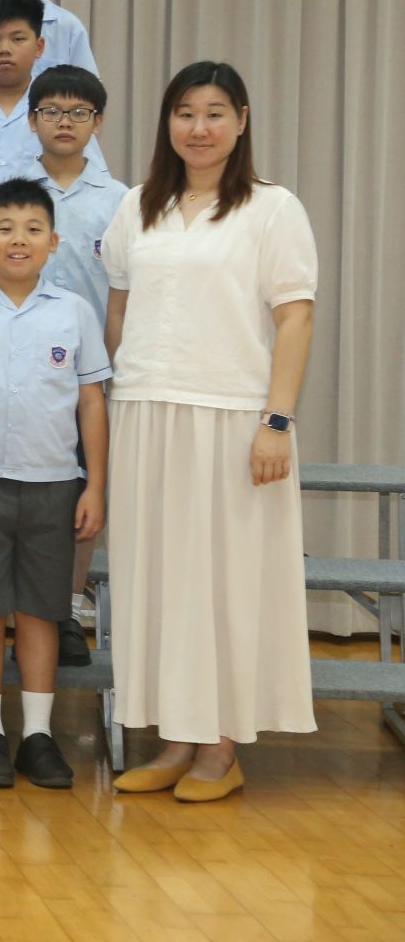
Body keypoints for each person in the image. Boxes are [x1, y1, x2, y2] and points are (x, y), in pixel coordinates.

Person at [102, 62, 317, 803]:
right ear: (167, 121)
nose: (199, 128)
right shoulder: (138, 206)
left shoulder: (272, 208)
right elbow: (120, 311)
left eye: (216, 112)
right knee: (160, 582)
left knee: (224, 583)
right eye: (185, 112)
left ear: (242, 121)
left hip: (231, 416)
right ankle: (176, 737)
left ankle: (221, 748)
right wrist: (128, 386)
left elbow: (295, 317)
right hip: (145, 412)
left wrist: (276, 422)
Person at [0, 177, 109, 790]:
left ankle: (37, 734)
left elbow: (92, 403)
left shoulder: (74, 312)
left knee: (40, 611)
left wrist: (95, 486)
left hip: (53, 481)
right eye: (5, 228)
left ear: (53, 242)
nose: (19, 240)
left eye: (33, 229)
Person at [18, 64, 128, 666]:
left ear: (98, 122)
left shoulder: (122, 202)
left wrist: (113, 371)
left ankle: (64, 607)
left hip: (87, 374)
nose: (65, 122)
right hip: (15, 367)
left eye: (79, 112)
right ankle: (21, 615)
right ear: (32, 120)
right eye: (52, 112)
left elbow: (126, 295)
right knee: (17, 494)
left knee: (82, 491)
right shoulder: (9, 190)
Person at [0, 0, 108, 193]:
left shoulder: (61, 115)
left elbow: (95, 184)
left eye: (18, 39)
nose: (5, 49)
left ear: (39, 47)